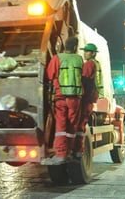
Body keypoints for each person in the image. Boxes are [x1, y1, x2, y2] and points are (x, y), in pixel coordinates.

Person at [42, 37, 83, 165]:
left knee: (61, 127)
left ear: (64, 45)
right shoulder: (78, 59)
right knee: (72, 126)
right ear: (75, 47)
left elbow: (49, 75)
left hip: (61, 98)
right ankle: (69, 151)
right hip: (75, 98)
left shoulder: (57, 58)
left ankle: (61, 154)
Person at [73, 43, 102, 159]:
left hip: (86, 99)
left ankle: (78, 150)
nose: (85, 53)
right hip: (90, 98)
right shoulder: (96, 64)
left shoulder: (89, 64)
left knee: (80, 125)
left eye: (87, 51)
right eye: (84, 51)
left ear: (93, 53)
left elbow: (83, 80)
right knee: (82, 124)